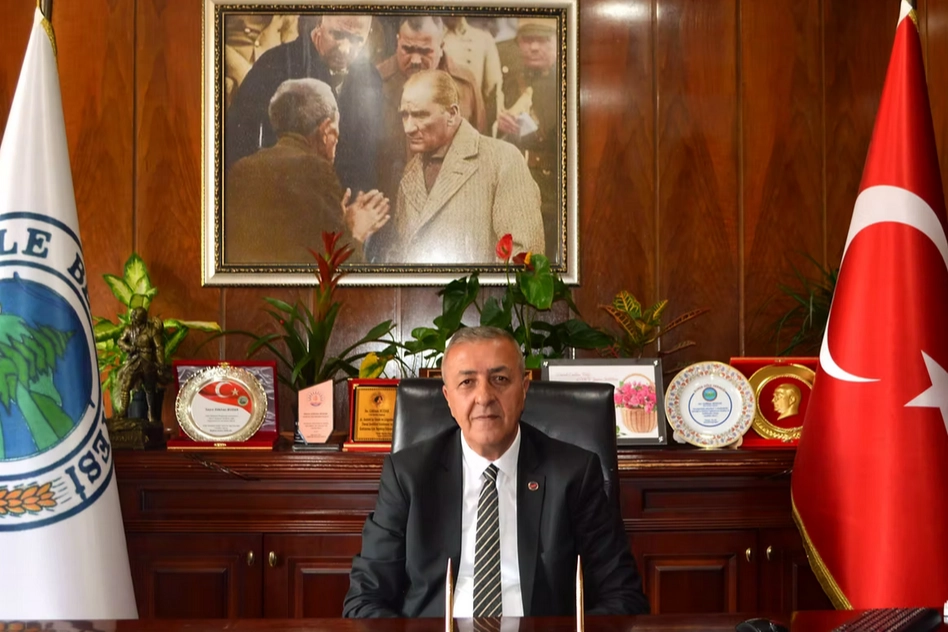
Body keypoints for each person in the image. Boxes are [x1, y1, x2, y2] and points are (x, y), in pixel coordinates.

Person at [343, 326, 648, 618]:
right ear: (448, 398)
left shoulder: (573, 474)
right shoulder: (408, 476)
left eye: (500, 379)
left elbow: (623, 596)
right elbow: (365, 600)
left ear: (524, 389)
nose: (484, 396)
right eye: (467, 382)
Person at [382, 69, 544, 264]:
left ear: (452, 114)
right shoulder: (410, 172)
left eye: (420, 115)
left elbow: (523, 258)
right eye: (404, 115)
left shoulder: (503, 160)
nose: (408, 128)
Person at [225, 78, 390, 264]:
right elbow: (338, 270)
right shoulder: (317, 170)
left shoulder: (241, 168)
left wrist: (340, 224)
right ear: (326, 131)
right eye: (336, 134)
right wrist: (356, 233)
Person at [225, 15, 383, 195]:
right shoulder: (274, 64)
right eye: (337, 35)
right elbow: (236, 145)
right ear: (319, 22)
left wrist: (358, 202)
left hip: (345, 201)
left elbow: (368, 160)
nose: (345, 49)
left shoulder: (371, 79)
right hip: (281, 198)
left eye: (357, 39)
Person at [375, 16, 487, 203]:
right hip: (390, 199)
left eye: (425, 51)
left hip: (451, 199)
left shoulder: (465, 85)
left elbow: (479, 147)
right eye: (407, 49)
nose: (415, 59)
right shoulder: (375, 81)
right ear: (397, 42)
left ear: (441, 47)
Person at [497, 17, 560, 261]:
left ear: (557, 42)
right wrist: (499, 124)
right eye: (527, 40)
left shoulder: (566, 84)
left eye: (542, 41)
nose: (534, 47)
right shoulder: (507, 82)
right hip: (513, 185)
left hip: (551, 190)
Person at [442, 16, 504, 128]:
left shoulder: (483, 39)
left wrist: (496, 122)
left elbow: (494, 90)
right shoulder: (430, 36)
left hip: (473, 121)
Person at [224, 14, 299, 107]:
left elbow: (291, 50)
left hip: (269, 76)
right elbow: (211, 38)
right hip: (233, 72)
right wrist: (244, 73)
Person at [113, 307, 171, 423]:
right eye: (134, 319)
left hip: (147, 362)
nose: (135, 321)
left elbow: (159, 347)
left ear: (143, 319)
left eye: (137, 320)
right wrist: (128, 347)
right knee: (126, 386)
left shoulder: (152, 330)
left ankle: (152, 414)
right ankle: (123, 413)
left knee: (150, 389)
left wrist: (161, 364)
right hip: (134, 361)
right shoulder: (129, 329)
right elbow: (120, 341)